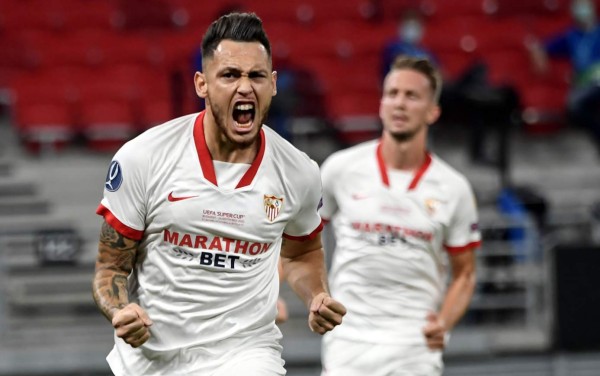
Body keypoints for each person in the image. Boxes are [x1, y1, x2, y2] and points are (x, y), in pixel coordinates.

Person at [92, 12, 346, 376]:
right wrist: (121, 311)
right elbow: (110, 267)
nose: (245, 87)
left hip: (246, 354)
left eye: (256, 75)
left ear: (272, 84)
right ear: (202, 83)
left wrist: (316, 295)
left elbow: (303, 251)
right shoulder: (143, 158)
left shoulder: (299, 172)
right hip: (151, 361)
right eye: (229, 75)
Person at [319, 56, 481, 376]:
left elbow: (465, 273)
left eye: (411, 96)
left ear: (433, 111)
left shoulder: (454, 188)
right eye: (391, 93)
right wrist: (307, 293)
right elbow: (297, 241)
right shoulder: (339, 169)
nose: (399, 103)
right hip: (349, 342)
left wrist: (444, 322)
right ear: (380, 104)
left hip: (414, 346)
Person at [527, 0, 600, 153]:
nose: (581, 11)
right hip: (584, 86)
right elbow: (541, 48)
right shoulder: (571, 36)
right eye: (578, 7)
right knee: (575, 107)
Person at [381, 9, 435, 80]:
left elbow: (438, 71)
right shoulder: (394, 47)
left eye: (415, 24)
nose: (412, 28)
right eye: (409, 23)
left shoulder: (426, 51)